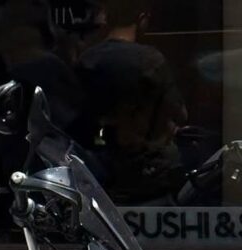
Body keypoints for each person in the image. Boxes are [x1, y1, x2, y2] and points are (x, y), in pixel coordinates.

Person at [76, 0, 188, 204]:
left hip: (101, 171)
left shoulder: (88, 59)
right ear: (142, 19)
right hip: (152, 171)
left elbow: (79, 118)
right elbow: (179, 113)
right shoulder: (151, 59)